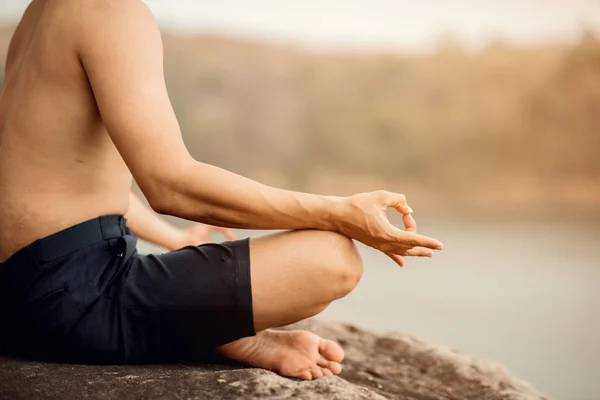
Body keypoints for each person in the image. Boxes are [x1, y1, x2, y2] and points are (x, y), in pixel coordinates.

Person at [0, 0, 443, 380]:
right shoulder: (111, 11)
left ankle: (207, 330)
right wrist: (338, 212)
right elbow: (171, 187)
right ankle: (208, 336)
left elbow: (67, 179)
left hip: (21, 291)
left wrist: (172, 239)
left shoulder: (45, 13)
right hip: (70, 301)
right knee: (333, 259)